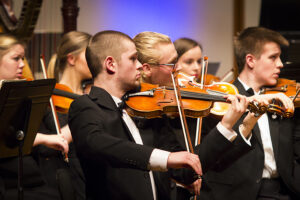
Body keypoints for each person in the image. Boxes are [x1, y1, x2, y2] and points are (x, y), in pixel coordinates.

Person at [133, 31, 295, 200]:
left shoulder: (164, 114)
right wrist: (227, 124)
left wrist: (250, 111)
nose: (179, 68)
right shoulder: (141, 111)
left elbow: (186, 170)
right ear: (146, 69)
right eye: (173, 63)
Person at [68, 30, 204, 200]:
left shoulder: (145, 108)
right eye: (133, 59)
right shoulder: (85, 106)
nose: (140, 65)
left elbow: (186, 170)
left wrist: (226, 128)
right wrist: (166, 158)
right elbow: (97, 143)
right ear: (111, 64)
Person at [198, 27, 300, 200]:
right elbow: (210, 158)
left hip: (284, 192)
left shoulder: (283, 98)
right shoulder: (220, 101)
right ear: (251, 61)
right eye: (273, 57)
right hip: (236, 194)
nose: (281, 64)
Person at [0, 34, 64, 199]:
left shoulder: (22, 91)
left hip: (26, 172)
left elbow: (47, 118)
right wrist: (43, 139)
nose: (22, 65)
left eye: (23, 58)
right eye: (16, 58)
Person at [37, 31, 92, 200]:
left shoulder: (91, 93)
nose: (95, 59)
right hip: (71, 176)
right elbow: (52, 142)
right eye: (89, 54)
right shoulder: (52, 96)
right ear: (71, 59)